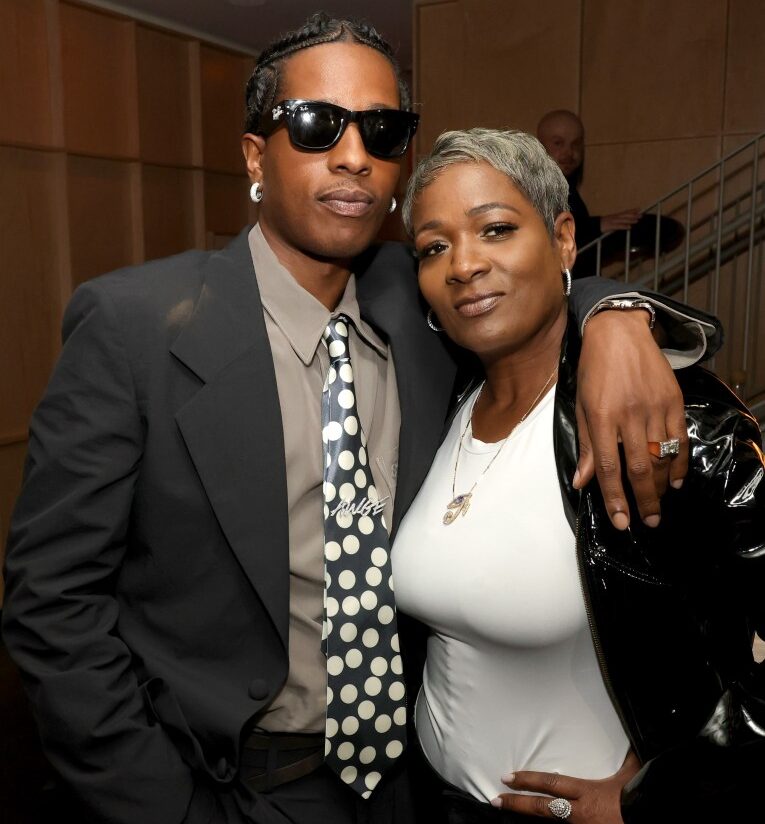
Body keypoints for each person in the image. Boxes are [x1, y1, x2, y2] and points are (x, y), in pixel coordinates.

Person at [2, 13, 718, 824]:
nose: (353, 156)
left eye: (381, 131)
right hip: (227, 783)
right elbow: (51, 602)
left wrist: (613, 312)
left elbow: (522, 287)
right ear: (254, 157)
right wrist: (162, 806)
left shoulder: (417, 306)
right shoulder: (133, 329)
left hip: (410, 784)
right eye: (315, 125)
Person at [392, 127, 765, 824]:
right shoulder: (443, 396)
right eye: (434, 247)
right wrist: (614, 307)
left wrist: (657, 796)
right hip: (427, 798)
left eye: (495, 229)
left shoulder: (663, 417)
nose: (463, 265)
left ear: (563, 239)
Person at [537, 110, 640, 276]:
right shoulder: (535, 187)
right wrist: (598, 225)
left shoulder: (566, 186)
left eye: (576, 144)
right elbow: (546, 232)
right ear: (540, 146)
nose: (569, 152)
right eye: (558, 143)